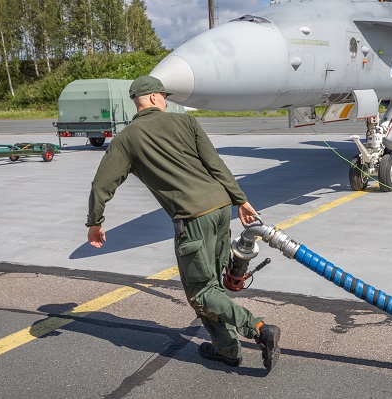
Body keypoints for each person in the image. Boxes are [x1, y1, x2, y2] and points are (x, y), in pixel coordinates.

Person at [86, 75, 281, 371]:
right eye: (163, 96)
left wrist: (95, 221)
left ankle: (259, 329)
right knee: (211, 287)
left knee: (202, 292)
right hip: (219, 209)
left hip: (192, 218)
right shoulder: (186, 123)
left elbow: (102, 184)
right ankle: (227, 350)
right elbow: (215, 163)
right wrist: (240, 200)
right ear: (152, 98)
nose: (166, 100)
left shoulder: (126, 139)